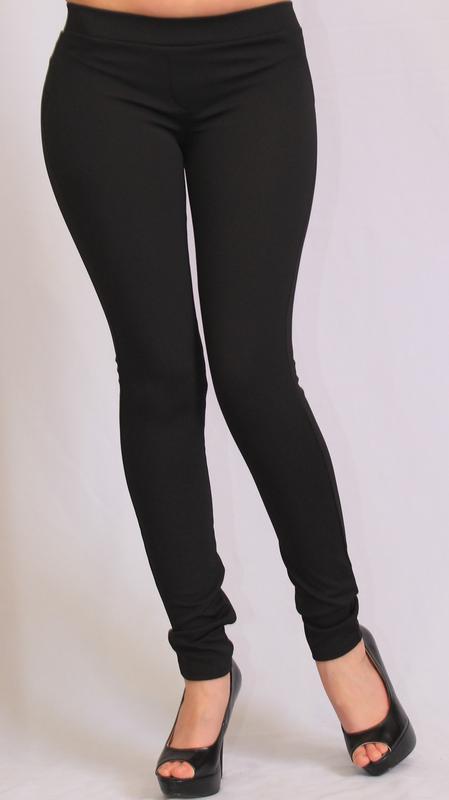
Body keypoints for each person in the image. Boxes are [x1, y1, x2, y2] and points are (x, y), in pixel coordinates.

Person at [40, 1, 416, 795]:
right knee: (158, 376)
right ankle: (204, 668)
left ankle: (339, 643)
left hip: (254, 66)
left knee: (253, 370)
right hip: (102, 71)